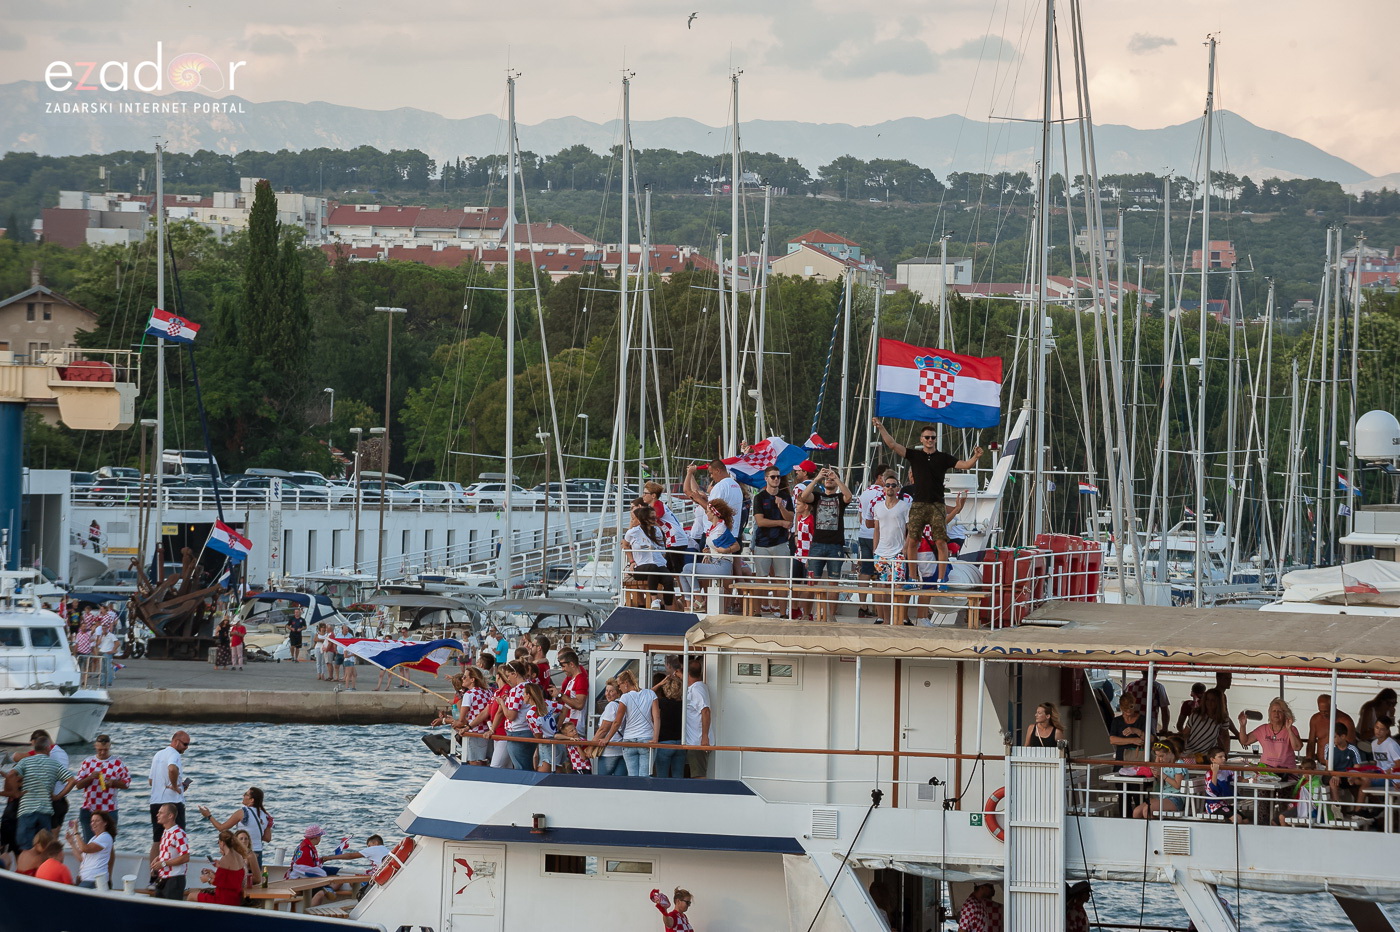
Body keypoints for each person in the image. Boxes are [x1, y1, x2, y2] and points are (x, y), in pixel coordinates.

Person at [872, 417, 985, 586]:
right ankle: (912, 577)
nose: (930, 440)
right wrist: (881, 427)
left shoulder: (943, 457)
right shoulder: (915, 455)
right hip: (918, 504)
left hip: (937, 504)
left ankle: (941, 579)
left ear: (935, 439)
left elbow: (965, 465)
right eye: (927, 437)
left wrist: (976, 457)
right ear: (921, 439)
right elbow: (893, 445)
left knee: (940, 541)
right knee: (912, 541)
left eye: (932, 437)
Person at [15, 734, 76, 851]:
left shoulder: (25, 762)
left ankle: (27, 868)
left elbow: (12, 775)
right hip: (45, 810)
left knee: (26, 847)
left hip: (27, 809)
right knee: (45, 846)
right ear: (48, 748)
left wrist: (14, 792)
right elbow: (72, 781)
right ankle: (43, 868)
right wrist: (58, 796)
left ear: (34, 748)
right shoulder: (54, 764)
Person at [198, 787, 272, 879]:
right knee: (254, 881)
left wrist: (208, 816)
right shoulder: (265, 815)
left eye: (246, 794)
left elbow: (222, 828)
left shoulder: (243, 812)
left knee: (239, 879)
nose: (243, 795)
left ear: (252, 800)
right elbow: (267, 838)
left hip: (243, 852)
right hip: (258, 852)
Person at [870, 472, 913, 622]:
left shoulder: (904, 506)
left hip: (897, 552)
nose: (890, 488)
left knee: (898, 588)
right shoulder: (878, 507)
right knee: (883, 589)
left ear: (898, 488)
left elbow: (911, 529)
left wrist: (905, 548)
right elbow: (876, 529)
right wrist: (874, 550)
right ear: (883, 488)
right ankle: (886, 621)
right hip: (881, 553)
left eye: (893, 485)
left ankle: (899, 620)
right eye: (887, 485)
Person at [750, 467, 795, 613]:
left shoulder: (785, 497)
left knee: (782, 579)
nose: (776, 479)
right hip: (762, 543)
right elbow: (760, 521)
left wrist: (781, 506)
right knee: (760, 579)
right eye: (773, 477)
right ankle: (757, 613)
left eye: (778, 477)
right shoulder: (759, 497)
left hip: (781, 543)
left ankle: (783, 613)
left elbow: (791, 518)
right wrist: (781, 523)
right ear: (766, 478)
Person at [799, 467, 854, 583]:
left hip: (835, 546)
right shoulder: (817, 496)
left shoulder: (839, 498)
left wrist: (837, 479)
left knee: (833, 583)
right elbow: (803, 497)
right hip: (817, 544)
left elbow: (849, 497)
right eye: (827, 478)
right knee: (811, 582)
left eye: (832, 479)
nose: (829, 480)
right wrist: (816, 479)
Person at [74, 734, 130, 842]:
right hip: (89, 809)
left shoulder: (117, 763)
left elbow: (126, 784)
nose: (103, 753)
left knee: (107, 844)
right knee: (89, 843)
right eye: (100, 750)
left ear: (110, 747)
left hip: (109, 810)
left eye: (105, 750)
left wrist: (114, 782)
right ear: (95, 746)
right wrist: (90, 778)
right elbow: (78, 785)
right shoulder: (88, 762)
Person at [624, 504, 676, 609]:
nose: (654, 519)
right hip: (641, 565)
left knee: (669, 579)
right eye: (652, 517)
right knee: (652, 568)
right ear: (644, 518)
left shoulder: (657, 531)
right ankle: (654, 600)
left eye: (655, 517)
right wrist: (632, 561)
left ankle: (669, 607)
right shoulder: (633, 532)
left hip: (659, 563)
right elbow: (625, 545)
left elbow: (662, 548)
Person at [856, 464, 896, 591]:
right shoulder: (882, 494)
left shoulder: (864, 493)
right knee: (879, 573)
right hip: (878, 536)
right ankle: (877, 606)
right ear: (880, 477)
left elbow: (861, 517)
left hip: (863, 534)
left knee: (866, 570)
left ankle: (863, 606)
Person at [148, 731, 190, 848]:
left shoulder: (158, 754)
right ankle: (174, 865)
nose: (186, 748)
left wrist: (176, 784)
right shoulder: (174, 754)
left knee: (157, 841)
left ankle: (154, 867)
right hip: (172, 803)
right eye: (185, 744)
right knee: (177, 839)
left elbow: (151, 781)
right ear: (176, 742)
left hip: (155, 802)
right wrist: (176, 787)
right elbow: (172, 769)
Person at [1238, 698, 1302, 771]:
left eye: (1279, 711)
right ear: (1270, 713)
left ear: (1285, 714)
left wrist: (1289, 729)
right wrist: (1242, 726)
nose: (1276, 713)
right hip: (1266, 772)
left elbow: (1297, 747)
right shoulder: (1263, 729)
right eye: (1274, 711)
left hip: (1286, 773)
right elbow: (1245, 741)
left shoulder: (1292, 729)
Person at [616, 669, 660, 777]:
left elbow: (617, 722)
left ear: (626, 683)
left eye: (619, 685)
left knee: (632, 776)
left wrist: (607, 739)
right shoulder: (651, 693)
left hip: (629, 740)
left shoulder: (625, 697)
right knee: (645, 777)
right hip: (647, 739)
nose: (619, 688)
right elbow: (657, 717)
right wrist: (655, 738)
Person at [188, 830, 248, 904]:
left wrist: (207, 879)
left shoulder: (225, 859)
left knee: (191, 896)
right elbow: (229, 879)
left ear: (222, 843)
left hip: (223, 899)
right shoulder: (239, 856)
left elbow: (218, 882)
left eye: (218, 842)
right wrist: (212, 873)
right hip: (236, 898)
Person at [1133, 742, 1188, 819]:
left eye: (1161, 756)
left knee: (1147, 810)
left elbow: (1177, 785)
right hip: (1162, 796)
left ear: (1170, 752)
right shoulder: (1163, 763)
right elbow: (1162, 783)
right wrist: (1157, 774)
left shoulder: (1179, 763)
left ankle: (1154, 830)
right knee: (1136, 812)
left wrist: (1162, 774)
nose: (1160, 759)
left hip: (1176, 798)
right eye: (1157, 756)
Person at [1180, 688, 1235, 760]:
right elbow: (1185, 733)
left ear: (1218, 702)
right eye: (1207, 699)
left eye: (1213, 700)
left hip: (1207, 755)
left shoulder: (1223, 718)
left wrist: (1225, 753)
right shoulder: (1196, 715)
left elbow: (1225, 736)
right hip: (1189, 753)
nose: (1209, 702)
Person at [66, 811, 115, 889]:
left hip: (93, 880)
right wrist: (72, 843)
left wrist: (76, 831)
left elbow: (84, 848)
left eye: (97, 821)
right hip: (85, 879)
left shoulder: (105, 837)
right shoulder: (93, 839)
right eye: (92, 821)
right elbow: (81, 858)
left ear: (105, 823)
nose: (93, 823)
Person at [151, 802, 190, 899]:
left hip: (175, 878)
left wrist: (163, 863)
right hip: (164, 877)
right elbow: (170, 852)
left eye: (161, 813)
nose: (157, 815)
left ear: (170, 816)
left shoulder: (178, 833)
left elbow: (185, 857)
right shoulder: (166, 831)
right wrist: (158, 858)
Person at [1307, 694, 1357, 766]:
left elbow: (1351, 746)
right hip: (1320, 764)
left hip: (1340, 766)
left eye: (1326, 711)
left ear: (1334, 707)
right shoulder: (1315, 719)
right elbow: (1311, 742)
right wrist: (1309, 760)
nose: (1323, 714)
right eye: (1321, 711)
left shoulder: (1346, 721)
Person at [593, 678, 628, 776]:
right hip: (622, 749)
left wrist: (591, 745)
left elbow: (603, 729)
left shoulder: (612, 706)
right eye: (606, 690)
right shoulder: (624, 704)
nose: (607, 694)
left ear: (618, 692)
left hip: (609, 751)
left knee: (602, 782)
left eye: (611, 691)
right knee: (619, 784)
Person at [685, 656, 713, 778]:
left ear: (687, 673)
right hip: (694, 741)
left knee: (698, 776)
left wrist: (704, 737)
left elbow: (705, 711)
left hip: (698, 741)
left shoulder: (697, 689)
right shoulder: (698, 687)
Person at [654, 671, 685, 778]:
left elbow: (646, 695)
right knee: (678, 777)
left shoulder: (661, 703)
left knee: (662, 778)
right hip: (681, 742)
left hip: (664, 743)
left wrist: (659, 684)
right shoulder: (684, 704)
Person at [1326, 722, 1363, 808]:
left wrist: (1351, 776)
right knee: (1333, 782)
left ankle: (1359, 809)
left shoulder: (1352, 749)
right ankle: (1337, 809)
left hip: (1347, 775)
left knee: (1358, 782)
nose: (1331, 739)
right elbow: (1328, 767)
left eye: (1334, 737)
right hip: (1332, 775)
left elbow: (1357, 767)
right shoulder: (1329, 747)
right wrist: (1336, 775)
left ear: (1343, 736)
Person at [1203, 747, 1240, 822]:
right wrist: (1215, 772)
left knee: (1245, 820)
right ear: (1212, 760)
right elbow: (1213, 789)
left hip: (1224, 803)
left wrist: (1245, 779)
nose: (1224, 759)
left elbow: (1236, 777)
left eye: (1224, 756)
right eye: (1220, 757)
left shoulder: (1226, 770)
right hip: (1213, 805)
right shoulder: (1209, 773)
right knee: (1237, 819)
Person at [1108, 693, 1146, 761]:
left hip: (1137, 757)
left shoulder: (1143, 720)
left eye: (1131, 707)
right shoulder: (1117, 721)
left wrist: (1136, 731)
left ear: (1135, 705)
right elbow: (1112, 740)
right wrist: (1132, 740)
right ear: (1121, 707)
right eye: (1125, 708)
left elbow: (1150, 739)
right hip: (1121, 757)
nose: (1128, 710)